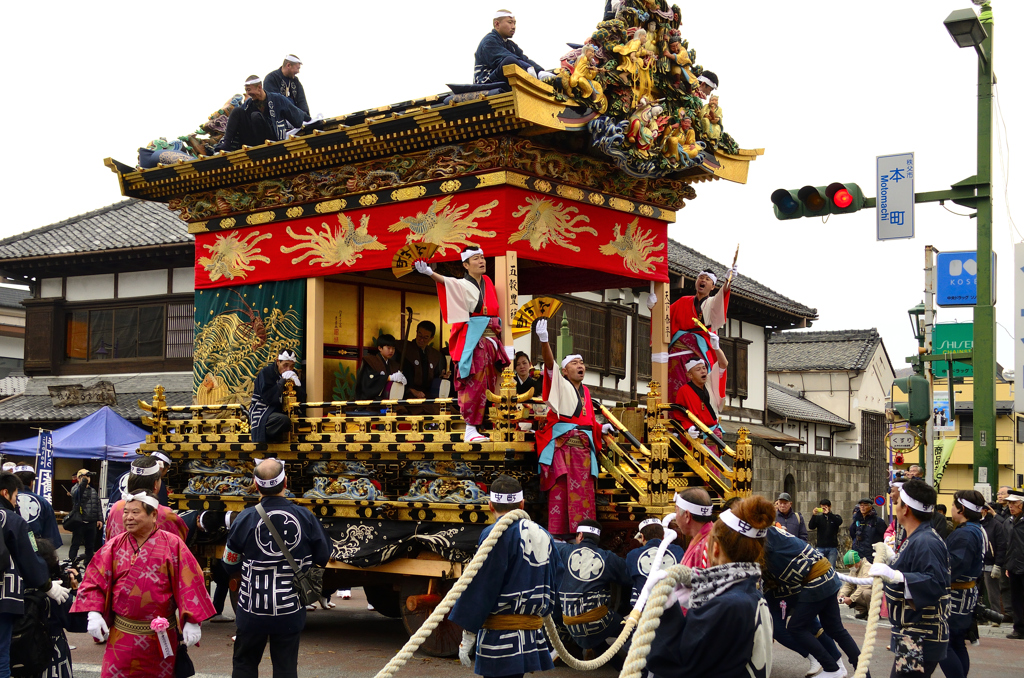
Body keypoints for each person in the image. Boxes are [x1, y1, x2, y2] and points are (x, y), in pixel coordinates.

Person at [72, 490, 213, 677]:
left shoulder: (173, 545)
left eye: (135, 512)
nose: (128, 517)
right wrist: (94, 612)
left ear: (153, 515)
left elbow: (190, 583)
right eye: (125, 512)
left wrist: (192, 621)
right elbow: (94, 580)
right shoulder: (113, 546)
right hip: (121, 635)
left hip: (160, 637)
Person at [223, 459, 332, 678]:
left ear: (256, 484)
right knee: (286, 667)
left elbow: (229, 561)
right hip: (289, 607)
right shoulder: (305, 517)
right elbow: (323, 555)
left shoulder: (245, 518)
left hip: (251, 607)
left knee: (244, 664)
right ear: (286, 482)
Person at [646, 495, 775, 678]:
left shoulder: (727, 606)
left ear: (714, 549)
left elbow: (678, 664)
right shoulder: (751, 594)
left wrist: (667, 609)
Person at [449, 474, 564, 677]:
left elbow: (482, 584)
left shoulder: (494, 533)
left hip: (500, 635)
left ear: (490, 505)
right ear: (522, 503)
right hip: (530, 632)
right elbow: (557, 575)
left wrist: (467, 634)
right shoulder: (544, 534)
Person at [415, 247, 510, 442]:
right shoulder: (461, 283)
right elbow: (446, 282)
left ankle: (484, 425)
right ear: (466, 265)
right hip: (475, 340)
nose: (482, 261)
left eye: (483, 257)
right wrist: (429, 273)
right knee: (474, 382)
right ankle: (470, 428)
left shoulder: (488, 282)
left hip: (492, 340)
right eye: (476, 258)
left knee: (491, 384)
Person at [533, 318, 613, 535]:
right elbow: (550, 366)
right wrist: (544, 341)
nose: (580, 366)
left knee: (584, 496)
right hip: (564, 450)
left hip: (584, 453)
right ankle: (559, 537)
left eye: (582, 363)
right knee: (561, 493)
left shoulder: (586, 392)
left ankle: (584, 536)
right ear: (565, 371)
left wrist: (599, 428)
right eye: (574, 363)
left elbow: (585, 421)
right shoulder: (559, 384)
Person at [869, 478, 950, 677]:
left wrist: (895, 574)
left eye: (897, 503)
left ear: (906, 509)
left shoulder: (926, 540)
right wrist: (894, 560)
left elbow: (934, 581)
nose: (895, 507)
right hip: (914, 634)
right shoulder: (918, 537)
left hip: (920, 636)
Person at [764, 521, 862, 678]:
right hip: (826, 574)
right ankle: (862, 671)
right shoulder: (772, 532)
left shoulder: (764, 538)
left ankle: (831, 667)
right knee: (835, 629)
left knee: (796, 627)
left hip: (815, 580)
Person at [1, 473, 69, 678]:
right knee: (1, 654)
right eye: (14, 496)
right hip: (3, 595)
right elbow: (29, 557)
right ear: (5, 493)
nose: (15, 502)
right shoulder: (12, 519)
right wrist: (48, 585)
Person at [648, 267, 736, 410]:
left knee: (695, 388)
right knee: (672, 388)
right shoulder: (683, 301)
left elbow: (722, 297)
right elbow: (665, 318)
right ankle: (671, 419)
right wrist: (653, 307)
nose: (703, 280)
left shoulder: (712, 303)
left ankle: (695, 419)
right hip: (675, 356)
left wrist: (728, 282)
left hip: (698, 353)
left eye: (707, 279)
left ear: (713, 286)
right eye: (701, 278)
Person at [553, 519, 632, 653]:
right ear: (597, 539)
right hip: (597, 622)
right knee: (627, 628)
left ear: (580, 536)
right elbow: (630, 578)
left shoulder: (562, 551)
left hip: (567, 622)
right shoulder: (608, 557)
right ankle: (624, 666)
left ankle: (589, 653)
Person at [938, 490, 986, 678]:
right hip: (967, 593)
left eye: (953, 505)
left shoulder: (966, 534)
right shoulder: (975, 529)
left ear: (962, 509)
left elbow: (955, 565)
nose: (951, 509)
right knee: (956, 642)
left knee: (944, 643)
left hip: (957, 595)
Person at [211, 75, 310, 153]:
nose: (248, 93)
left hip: (271, 138)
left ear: (259, 87)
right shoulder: (248, 104)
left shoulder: (277, 99)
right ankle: (227, 144)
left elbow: (297, 115)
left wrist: (309, 120)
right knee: (237, 111)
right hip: (252, 140)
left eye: (249, 90)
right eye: (246, 90)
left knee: (255, 116)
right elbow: (235, 122)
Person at [35, 538, 87, 678]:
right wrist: (77, 588)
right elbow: (81, 622)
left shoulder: (12, 590)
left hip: (17, 658)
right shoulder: (56, 594)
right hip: (52, 659)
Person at [106, 456, 187, 542]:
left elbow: (108, 539)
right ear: (155, 484)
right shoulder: (166, 515)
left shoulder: (116, 507)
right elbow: (178, 545)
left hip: (118, 555)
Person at [474, 9, 551, 86]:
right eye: (510, 22)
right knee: (509, 61)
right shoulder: (489, 41)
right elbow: (504, 59)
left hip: (502, 80)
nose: (513, 27)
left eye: (514, 23)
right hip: (486, 81)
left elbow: (524, 59)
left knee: (546, 73)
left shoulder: (511, 45)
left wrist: (540, 72)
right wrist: (527, 68)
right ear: (497, 24)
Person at [625, 517, 685, 606]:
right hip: (673, 605)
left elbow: (628, 578)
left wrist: (635, 543)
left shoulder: (633, 555)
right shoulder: (677, 551)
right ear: (663, 535)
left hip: (644, 609)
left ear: (642, 537)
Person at [249, 350, 305, 443]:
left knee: (304, 421)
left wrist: (297, 385)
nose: (288, 369)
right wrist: (282, 381)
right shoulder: (266, 373)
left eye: (291, 366)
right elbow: (268, 398)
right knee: (282, 420)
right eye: (285, 365)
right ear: (278, 362)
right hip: (265, 410)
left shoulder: (294, 373)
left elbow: (302, 399)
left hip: (286, 410)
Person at [671, 358, 726, 455]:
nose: (703, 371)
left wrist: (716, 347)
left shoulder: (710, 384)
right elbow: (680, 414)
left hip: (713, 431)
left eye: (704, 368)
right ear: (690, 375)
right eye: (698, 369)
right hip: (697, 432)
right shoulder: (684, 391)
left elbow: (724, 364)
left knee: (716, 464)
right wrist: (689, 427)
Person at [12, 463, 62, 547]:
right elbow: (51, 536)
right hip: (35, 547)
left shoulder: (6, 500)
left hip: (10, 546)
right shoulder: (43, 502)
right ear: (32, 482)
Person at [980, 501, 1009, 623]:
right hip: (978, 563)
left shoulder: (996, 525)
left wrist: (998, 564)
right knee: (977, 592)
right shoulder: (975, 524)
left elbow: (1001, 546)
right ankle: (980, 617)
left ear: (985, 511)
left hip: (991, 562)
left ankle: (995, 617)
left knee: (993, 593)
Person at [68, 469, 103, 569]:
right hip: (79, 521)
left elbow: (98, 504)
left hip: (91, 522)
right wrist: (83, 482)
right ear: (79, 478)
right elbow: (76, 495)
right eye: (84, 476)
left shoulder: (93, 490)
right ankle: (72, 562)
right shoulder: (75, 489)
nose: (87, 478)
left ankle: (88, 564)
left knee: (90, 546)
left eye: (88, 476)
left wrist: (100, 519)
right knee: (75, 544)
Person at [401, 321, 445, 400]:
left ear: (431, 338)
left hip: (427, 394)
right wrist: (410, 390)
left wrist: (441, 376)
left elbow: (435, 376)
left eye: (425, 338)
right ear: (416, 333)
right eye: (419, 335)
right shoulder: (405, 350)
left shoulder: (434, 355)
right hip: (409, 394)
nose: (421, 340)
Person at [355, 334, 406, 400]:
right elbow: (369, 382)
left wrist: (401, 381)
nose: (391, 351)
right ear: (380, 348)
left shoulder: (394, 365)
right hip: (372, 401)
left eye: (393, 348)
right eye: (388, 348)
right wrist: (389, 378)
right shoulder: (371, 361)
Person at [673, 488, 714, 569]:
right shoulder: (706, 538)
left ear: (687, 515)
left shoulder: (710, 545)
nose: (675, 517)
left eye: (676, 511)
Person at [1003, 489, 1024, 639]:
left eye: (1014, 503)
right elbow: (1007, 545)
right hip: (1013, 566)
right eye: (1009, 503)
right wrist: (1007, 565)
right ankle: (1019, 629)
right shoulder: (1008, 522)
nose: (1011, 506)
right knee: (1016, 598)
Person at [837, 550, 872, 619]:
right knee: (848, 592)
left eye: (851, 565)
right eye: (848, 566)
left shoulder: (867, 567)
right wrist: (842, 594)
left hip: (874, 593)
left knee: (866, 592)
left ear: (858, 562)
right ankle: (864, 611)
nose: (850, 567)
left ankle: (872, 612)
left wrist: (851, 599)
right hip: (862, 593)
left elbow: (865, 585)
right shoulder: (854, 570)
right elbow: (848, 585)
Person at [850, 497, 887, 561]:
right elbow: (852, 533)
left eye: (865, 505)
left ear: (870, 507)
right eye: (861, 505)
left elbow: (883, 536)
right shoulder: (857, 519)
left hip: (871, 555)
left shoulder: (877, 521)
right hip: (858, 554)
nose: (863, 507)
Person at [809, 499, 843, 568]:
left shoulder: (835, 517)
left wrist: (829, 514)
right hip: (820, 547)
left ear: (829, 507)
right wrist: (814, 515)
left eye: (825, 507)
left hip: (832, 547)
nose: (823, 509)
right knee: (819, 568)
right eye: (822, 508)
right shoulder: (819, 518)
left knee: (831, 568)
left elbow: (839, 522)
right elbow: (811, 526)